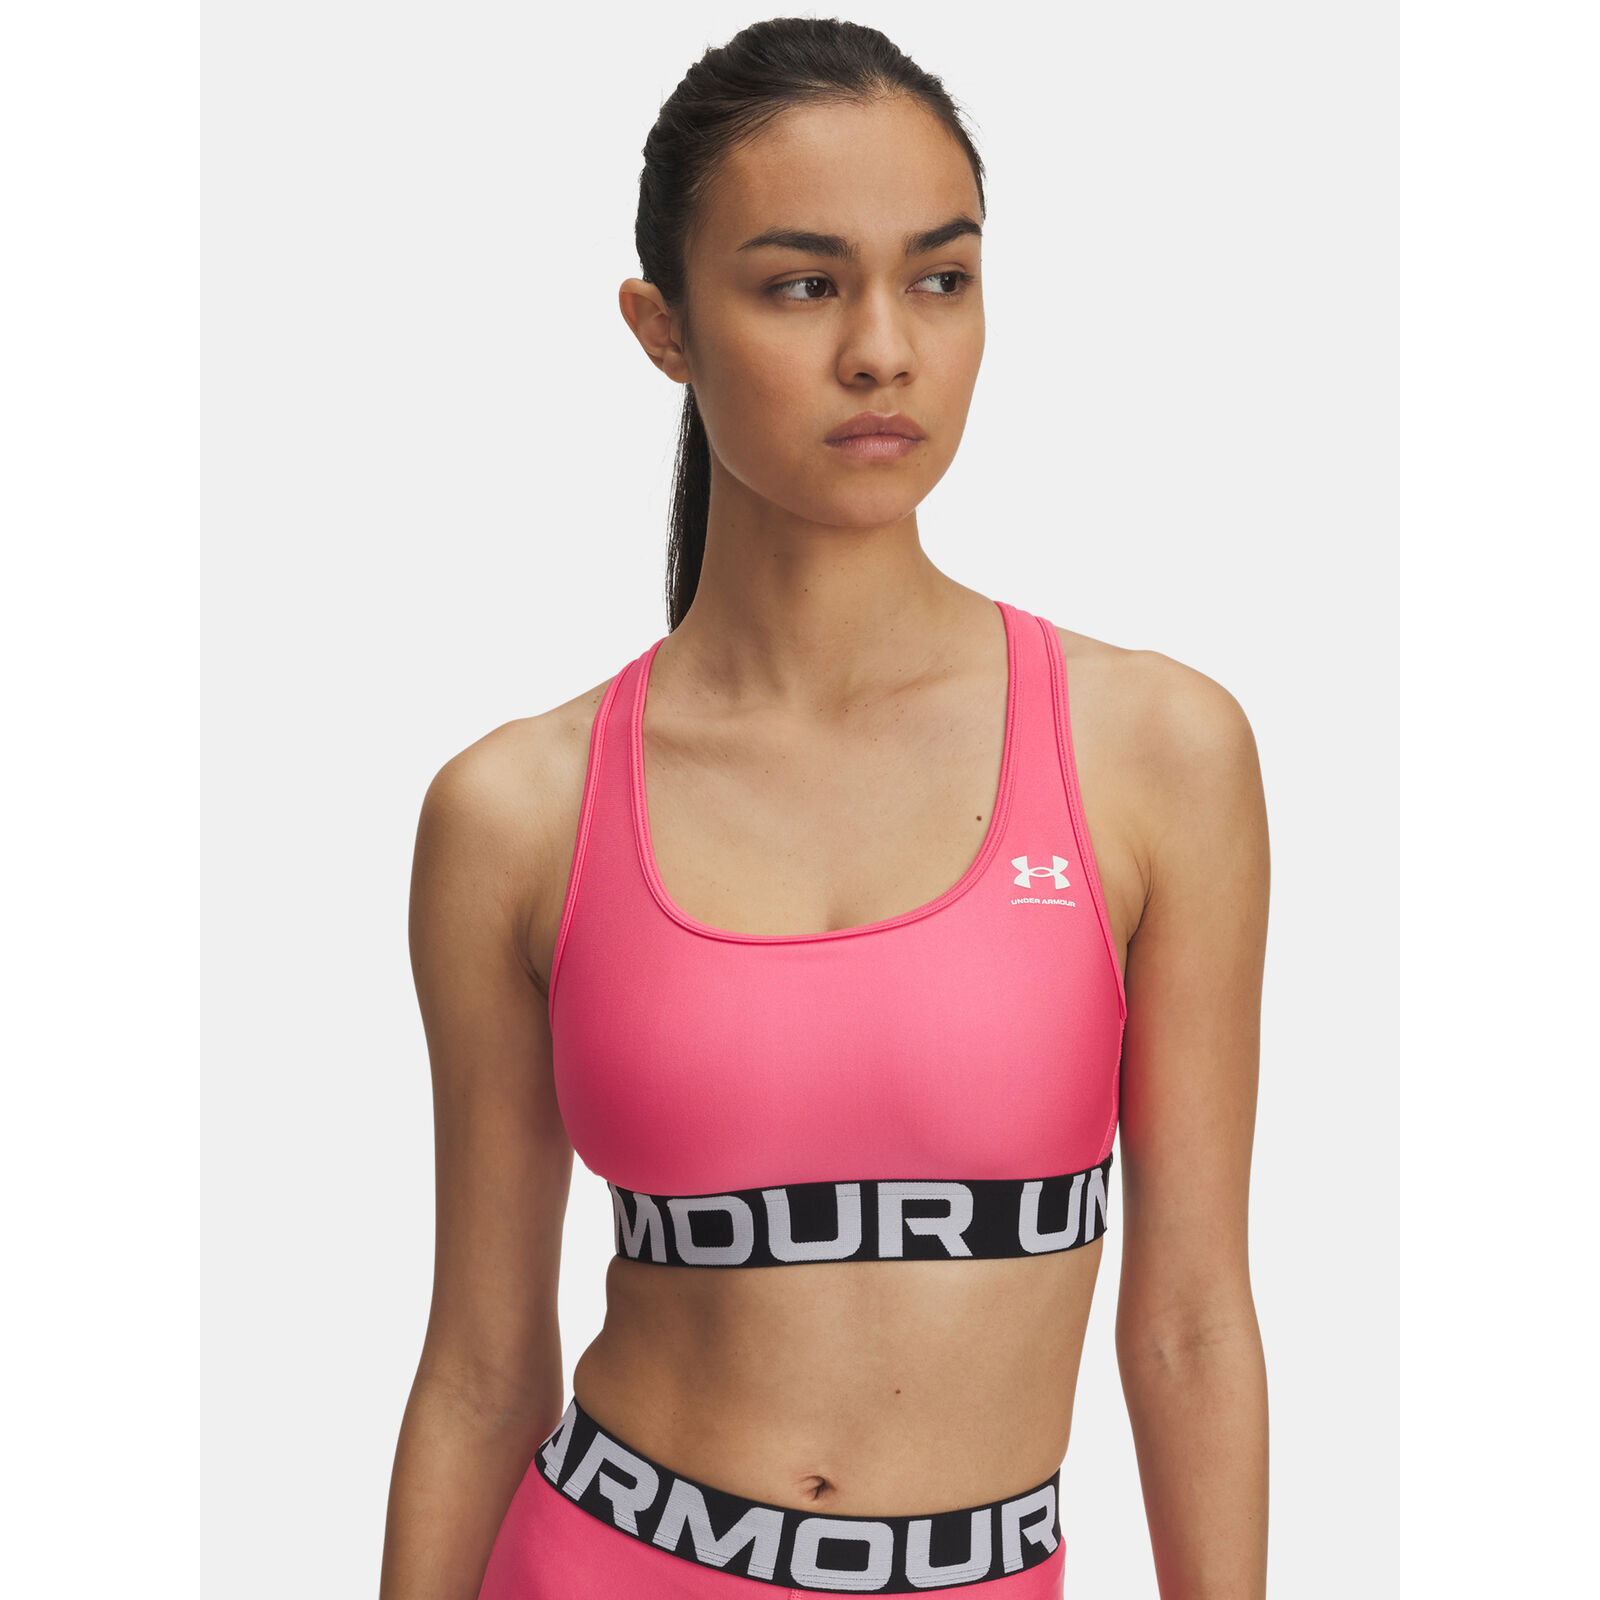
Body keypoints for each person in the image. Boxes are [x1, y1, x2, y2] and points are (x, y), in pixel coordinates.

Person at [380, 18, 1270, 1599]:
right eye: (802, 285)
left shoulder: (1157, 754)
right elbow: (478, 1368)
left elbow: (1192, 1326)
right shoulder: (515, 811)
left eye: (941, 278)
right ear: (663, 328)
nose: (883, 350)